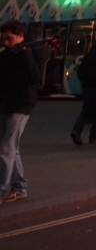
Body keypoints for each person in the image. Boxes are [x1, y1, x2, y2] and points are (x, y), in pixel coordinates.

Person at [0, 21, 38, 203]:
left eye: (10, 39)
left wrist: (24, 55)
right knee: (12, 148)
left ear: (21, 37)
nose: (6, 43)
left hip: (22, 105)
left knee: (7, 147)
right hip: (6, 104)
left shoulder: (26, 54)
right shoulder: (5, 55)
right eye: (4, 39)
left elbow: (33, 77)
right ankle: (19, 186)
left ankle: (3, 189)